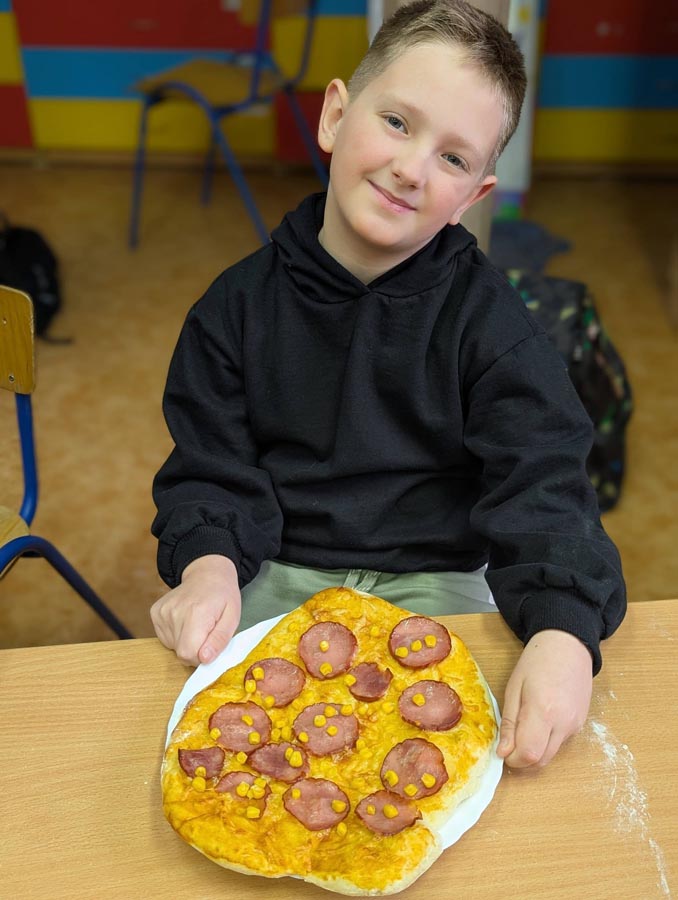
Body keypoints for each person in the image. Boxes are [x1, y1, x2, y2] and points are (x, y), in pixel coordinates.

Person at [150, 0, 626, 770]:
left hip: (442, 579)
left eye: (453, 158)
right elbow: (212, 470)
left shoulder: (496, 327)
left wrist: (564, 632)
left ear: (475, 197)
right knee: (215, 758)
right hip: (275, 573)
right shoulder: (232, 309)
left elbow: (544, 484)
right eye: (398, 123)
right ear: (336, 115)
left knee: (481, 787)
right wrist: (208, 562)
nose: (411, 167)